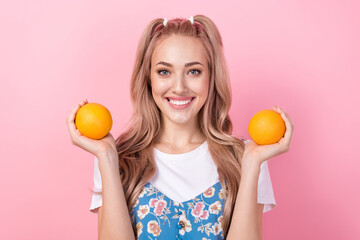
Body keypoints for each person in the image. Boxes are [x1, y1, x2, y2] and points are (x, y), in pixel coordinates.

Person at [67, 14, 294, 240]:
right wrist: (106, 157)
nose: (179, 87)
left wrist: (253, 163)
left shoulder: (245, 158)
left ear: (211, 78)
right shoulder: (116, 158)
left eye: (193, 71)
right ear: (148, 79)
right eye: (164, 71)